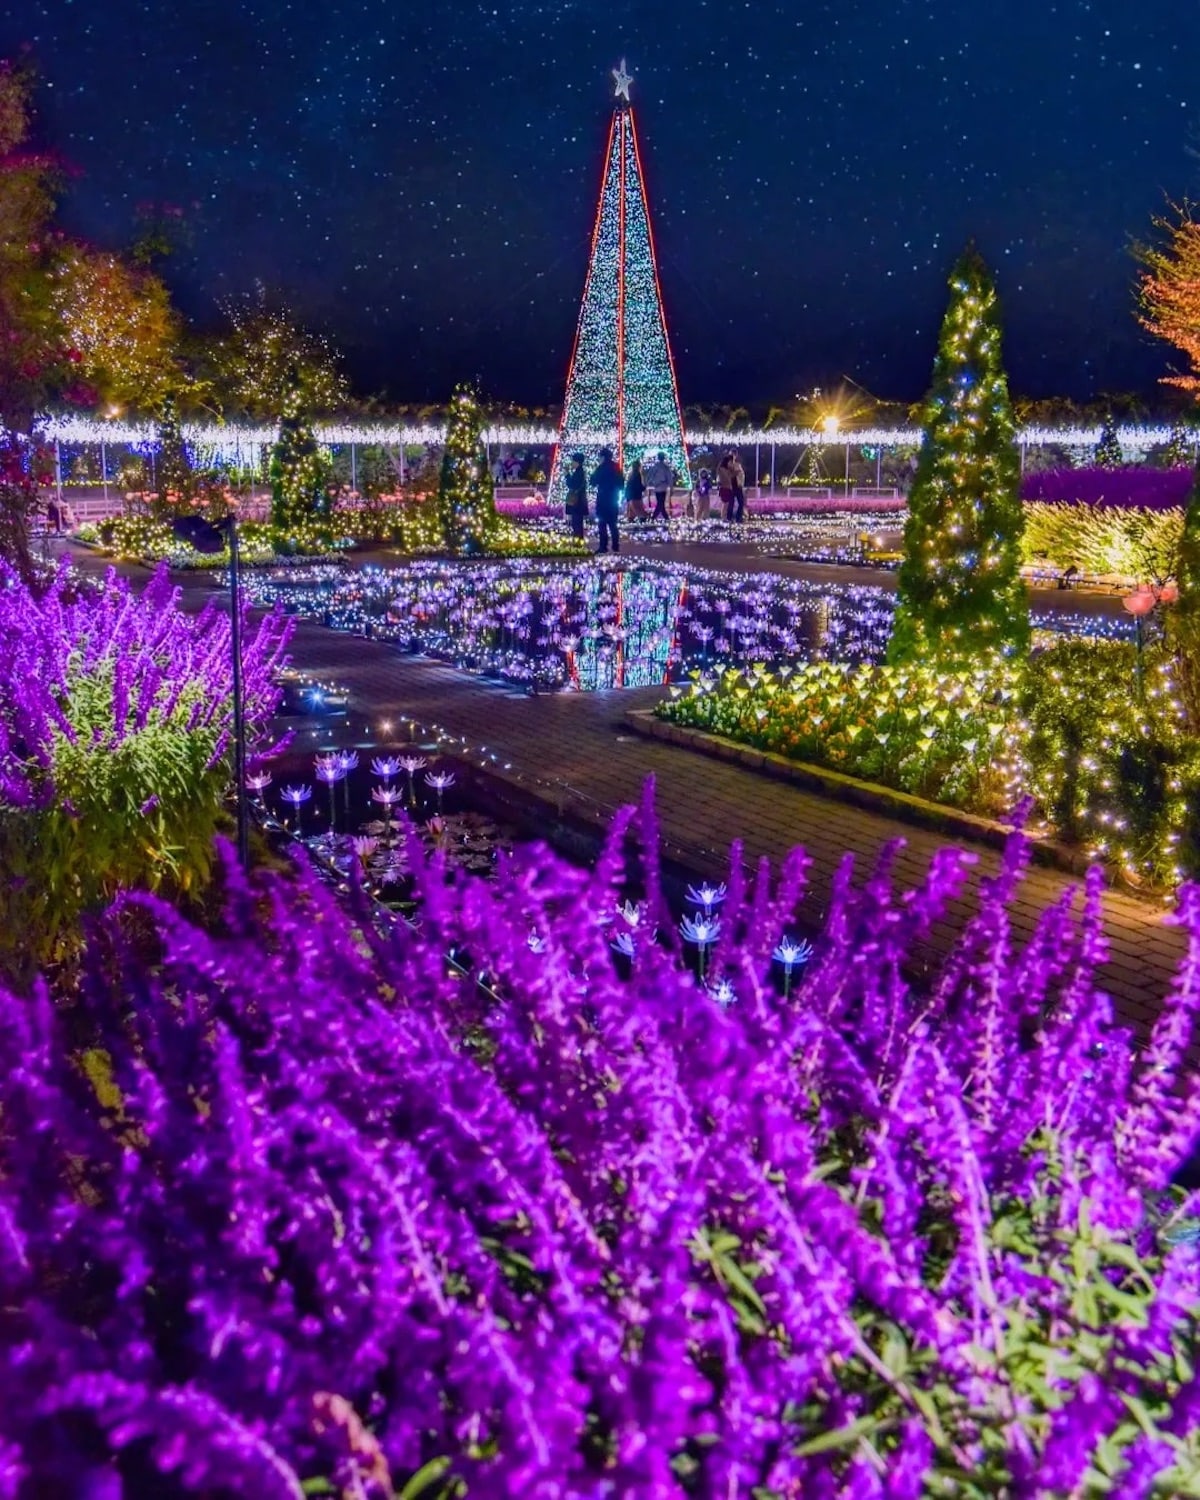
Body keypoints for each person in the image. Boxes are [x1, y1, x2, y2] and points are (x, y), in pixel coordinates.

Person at [590, 446, 623, 554]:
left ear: (603, 457)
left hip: (603, 499)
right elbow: (621, 483)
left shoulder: (601, 468)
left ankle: (603, 546)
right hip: (613, 499)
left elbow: (593, 482)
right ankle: (615, 546)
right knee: (613, 524)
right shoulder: (616, 467)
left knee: (602, 524)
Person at [564, 452, 588, 539]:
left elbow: (572, 485)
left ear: (577, 462)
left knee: (577, 522)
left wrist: (567, 475)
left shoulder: (579, 473)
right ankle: (578, 540)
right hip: (579, 501)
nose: (572, 463)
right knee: (577, 522)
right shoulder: (580, 472)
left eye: (573, 461)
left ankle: (578, 541)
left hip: (577, 502)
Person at [646, 450, 673, 520]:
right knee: (660, 503)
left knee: (660, 503)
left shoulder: (657, 467)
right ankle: (658, 517)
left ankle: (657, 517)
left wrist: (651, 482)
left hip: (659, 487)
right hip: (661, 487)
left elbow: (650, 476)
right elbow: (669, 478)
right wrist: (670, 486)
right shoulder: (664, 467)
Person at [717, 452, 735, 521]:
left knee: (726, 503)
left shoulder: (726, 469)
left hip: (728, 487)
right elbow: (727, 478)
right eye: (731, 462)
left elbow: (730, 476)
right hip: (725, 488)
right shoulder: (722, 469)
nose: (732, 463)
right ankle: (723, 517)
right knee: (725, 503)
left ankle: (724, 517)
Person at [729, 450, 746, 524]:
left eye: (734, 455)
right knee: (730, 503)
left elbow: (742, 475)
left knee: (741, 502)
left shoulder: (738, 465)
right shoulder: (726, 464)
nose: (733, 456)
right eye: (731, 454)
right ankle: (729, 518)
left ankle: (738, 518)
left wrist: (741, 484)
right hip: (730, 487)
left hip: (738, 486)